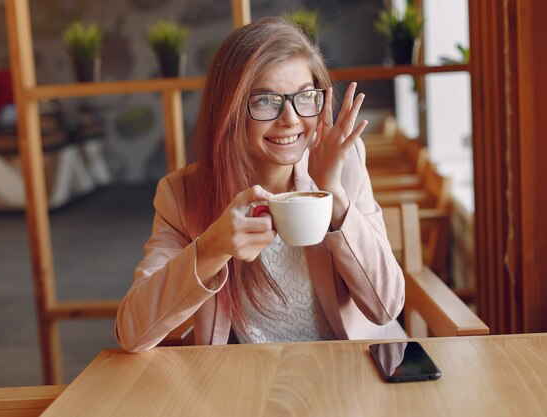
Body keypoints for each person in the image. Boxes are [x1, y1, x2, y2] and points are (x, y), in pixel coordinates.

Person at [115, 16, 406, 352]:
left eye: (305, 96)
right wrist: (212, 247)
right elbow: (132, 332)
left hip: (350, 370)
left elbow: (386, 306)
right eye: (265, 100)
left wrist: (335, 195)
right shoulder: (183, 192)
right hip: (252, 384)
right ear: (230, 112)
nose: (292, 120)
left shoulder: (344, 161)